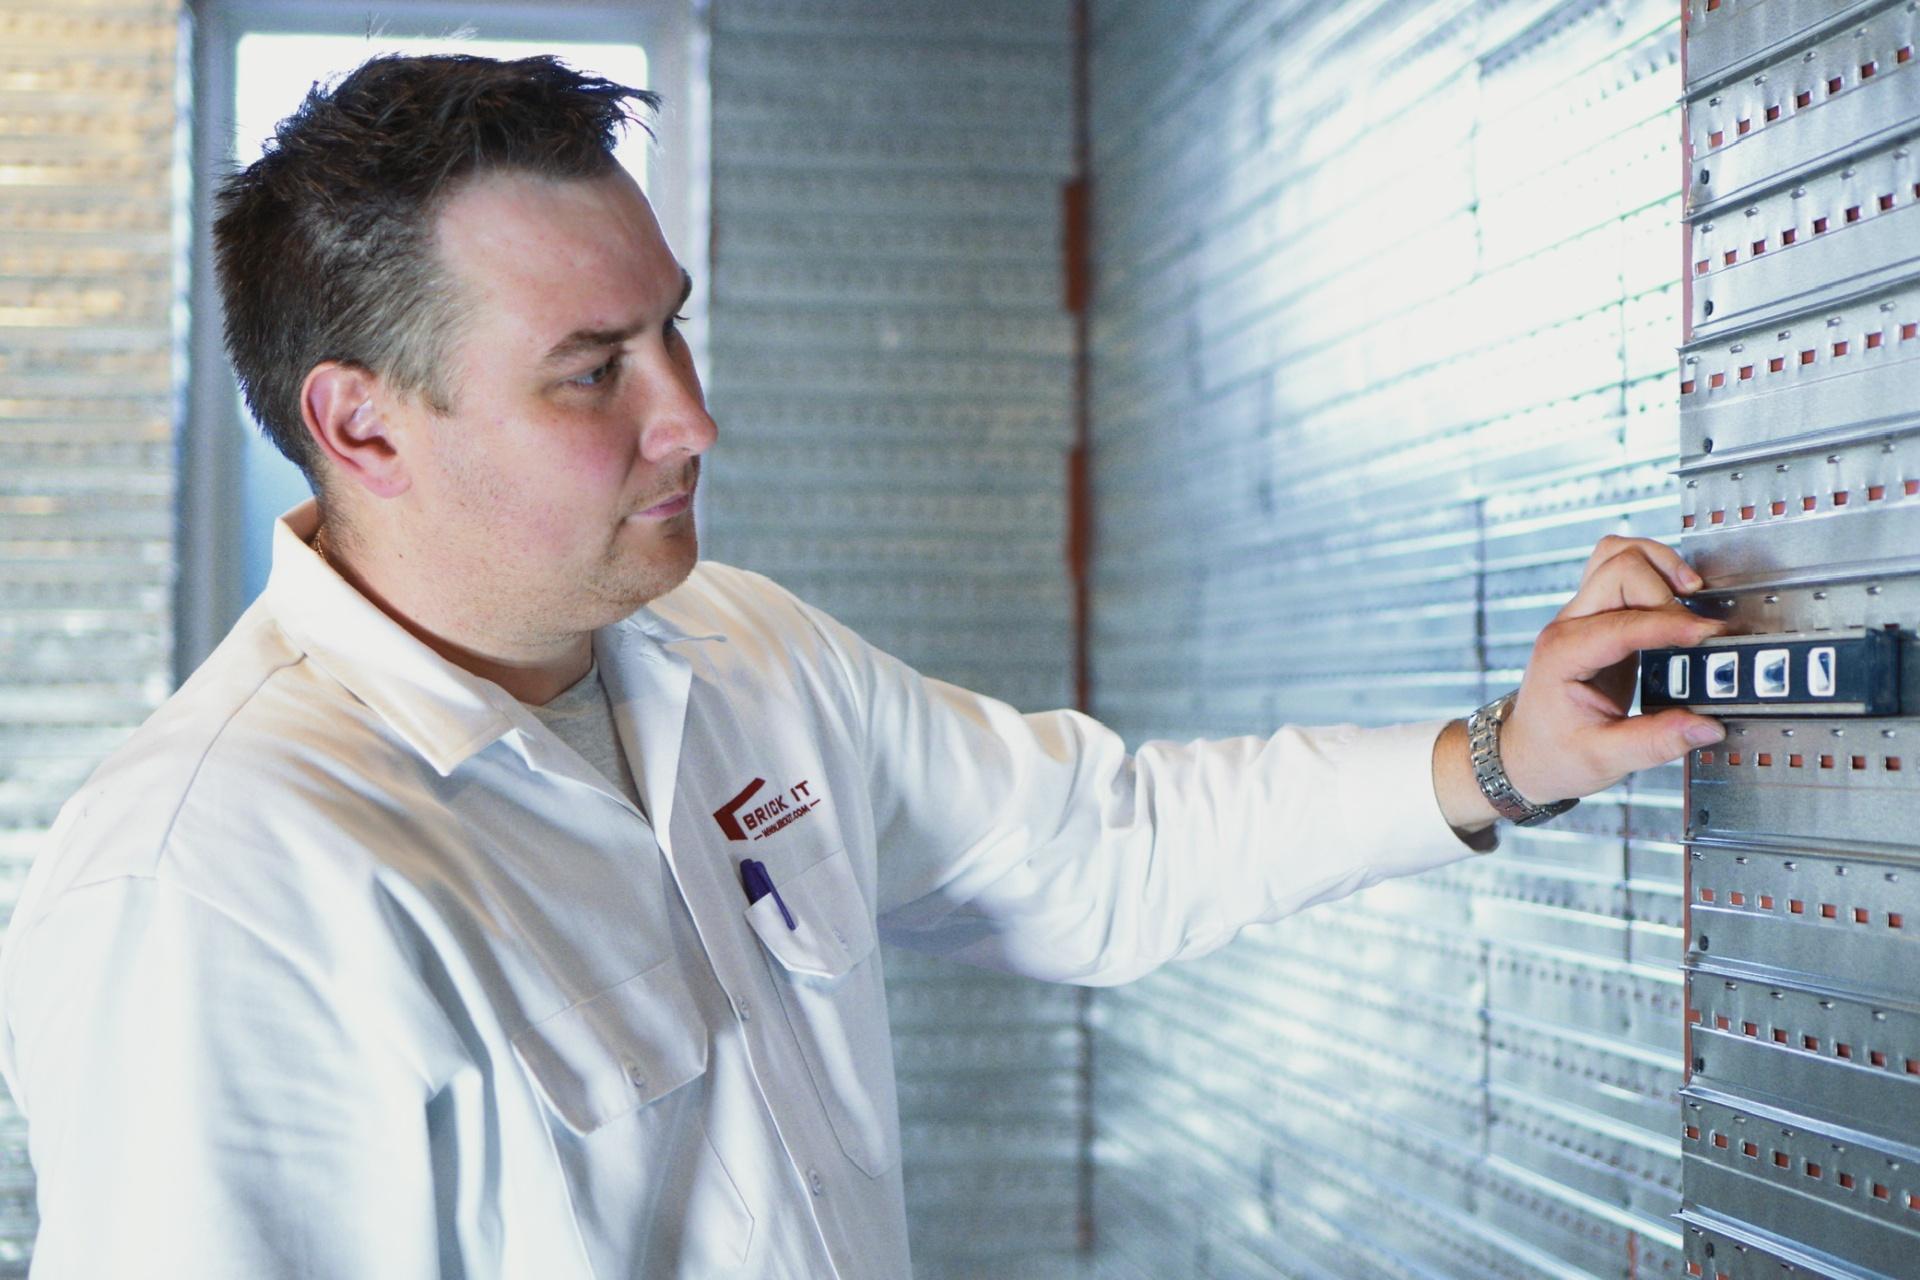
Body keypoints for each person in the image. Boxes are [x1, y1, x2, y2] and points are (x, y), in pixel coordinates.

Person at [0, 53, 1727, 1280]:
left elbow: (1099, 851)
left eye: (673, 326)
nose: (691, 415)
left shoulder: (735, 654)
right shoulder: (219, 877)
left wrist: (1510, 755)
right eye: (593, 370)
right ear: (364, 426)